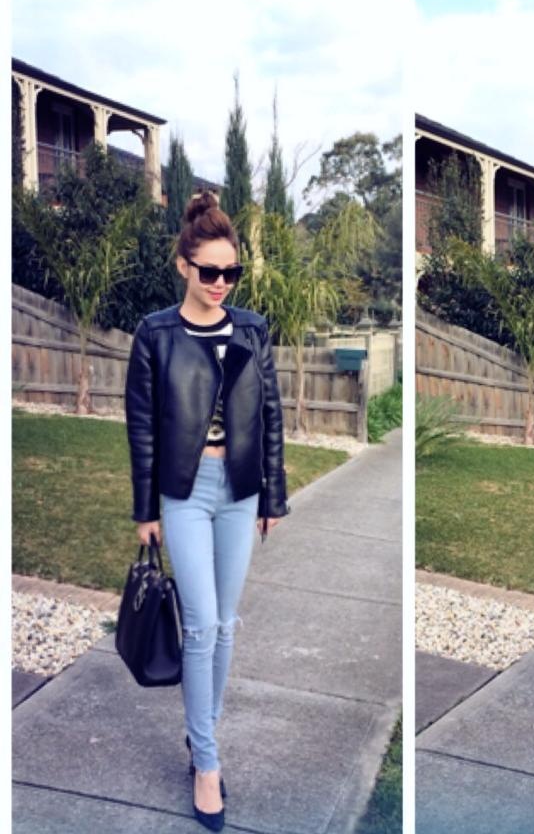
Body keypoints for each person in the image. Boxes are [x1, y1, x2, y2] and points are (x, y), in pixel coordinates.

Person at [125, 192, 289, 832]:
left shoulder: (251, 329)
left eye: (232, 272)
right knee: (198, 626)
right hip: (185, 491)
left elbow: (270, 414)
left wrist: (273, 494)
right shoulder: (156, 334)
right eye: (210, 271)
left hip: (240, 489)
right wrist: (146, 509)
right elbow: (142, 429)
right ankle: (208, 765)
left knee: (224, 626)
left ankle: (201, 737)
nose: (221, 283)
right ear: (183, 266)